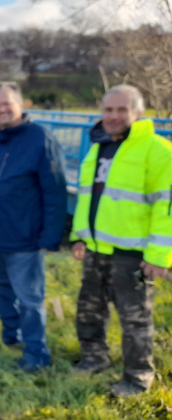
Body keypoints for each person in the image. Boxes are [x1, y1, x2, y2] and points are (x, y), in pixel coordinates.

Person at [71, 84, 172, 397]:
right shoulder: (98, 146)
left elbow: (166, 206)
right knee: (89, 308)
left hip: (132, 252)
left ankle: (138, 377)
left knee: (134, 318)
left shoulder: (157, 150)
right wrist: (79, 237)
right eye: (108, 110)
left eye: (121, 110)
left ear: (138, 113)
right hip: (96, 247)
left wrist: (158, 255)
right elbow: (88, 199)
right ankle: (94, 357)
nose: (113, 116)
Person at [0, 81, 67, 372]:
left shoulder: (40, 139)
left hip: (26, 237)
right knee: (0, 289)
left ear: (21, 104)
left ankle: (37, 353)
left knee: (29, 297)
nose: (1, 110)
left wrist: (51, 235)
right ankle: (11, 336)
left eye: (6, 104)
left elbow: (55, 191)